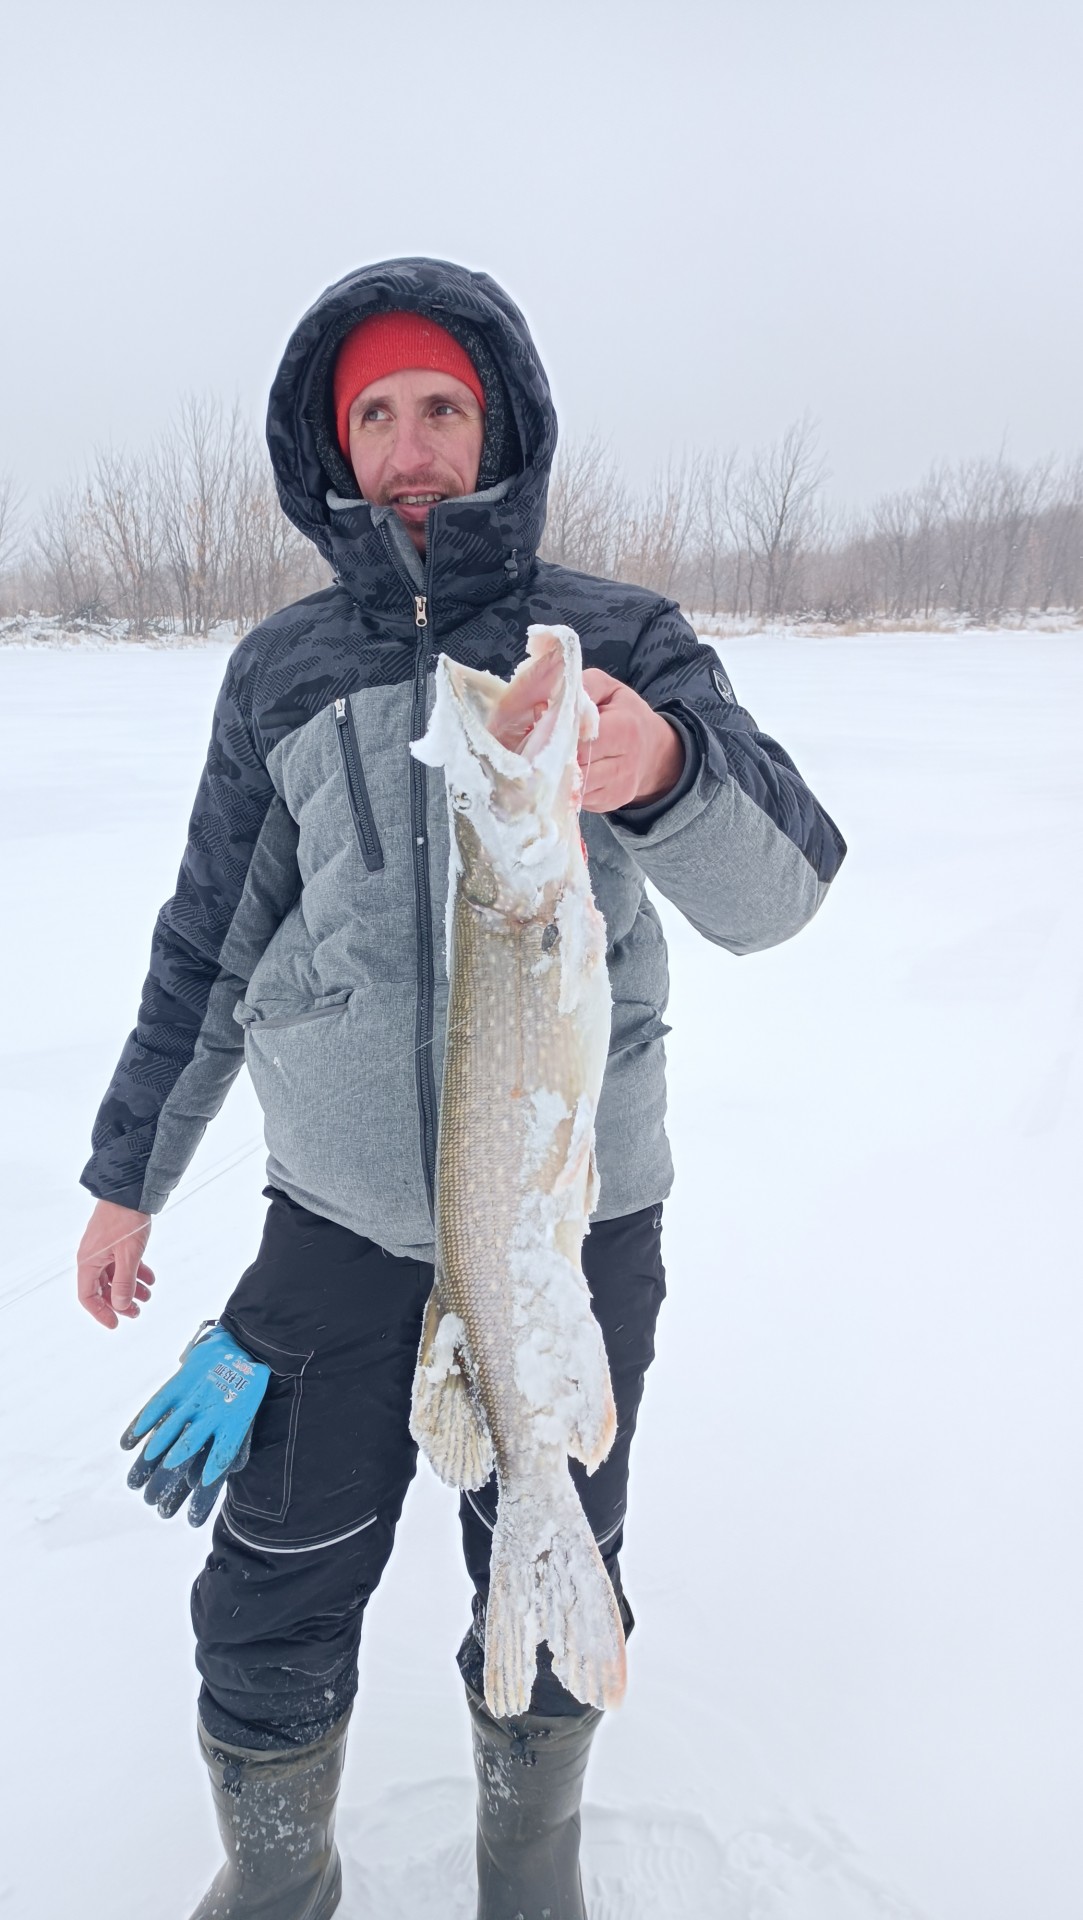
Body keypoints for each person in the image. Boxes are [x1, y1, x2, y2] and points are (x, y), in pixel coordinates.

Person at [76, 258, 846, 1920]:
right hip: (338, 1229)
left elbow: (781, 891)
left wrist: (660, 766)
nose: (411, 446)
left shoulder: (612, 641)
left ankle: (530, 1861)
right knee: (272, 1581)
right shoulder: (283, 672)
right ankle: (276, 1876)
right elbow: (208, 942)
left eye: (443, 406)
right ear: (335, 447)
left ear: (498, 427)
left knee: (551, 1544)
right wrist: (130, 1172)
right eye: (376, 414)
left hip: (574, 1230)